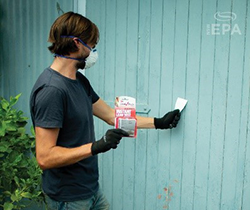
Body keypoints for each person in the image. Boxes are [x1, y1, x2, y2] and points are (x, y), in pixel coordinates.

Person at [29, 11, 181, 210]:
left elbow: (111, 116)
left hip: (91, 190)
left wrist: (158, 122)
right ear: (76, 43)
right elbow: (45, 157)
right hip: (68, 198)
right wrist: (96, 146)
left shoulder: (79, 81)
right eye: (91, 44)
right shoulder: (52, 90)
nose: (93, 50)